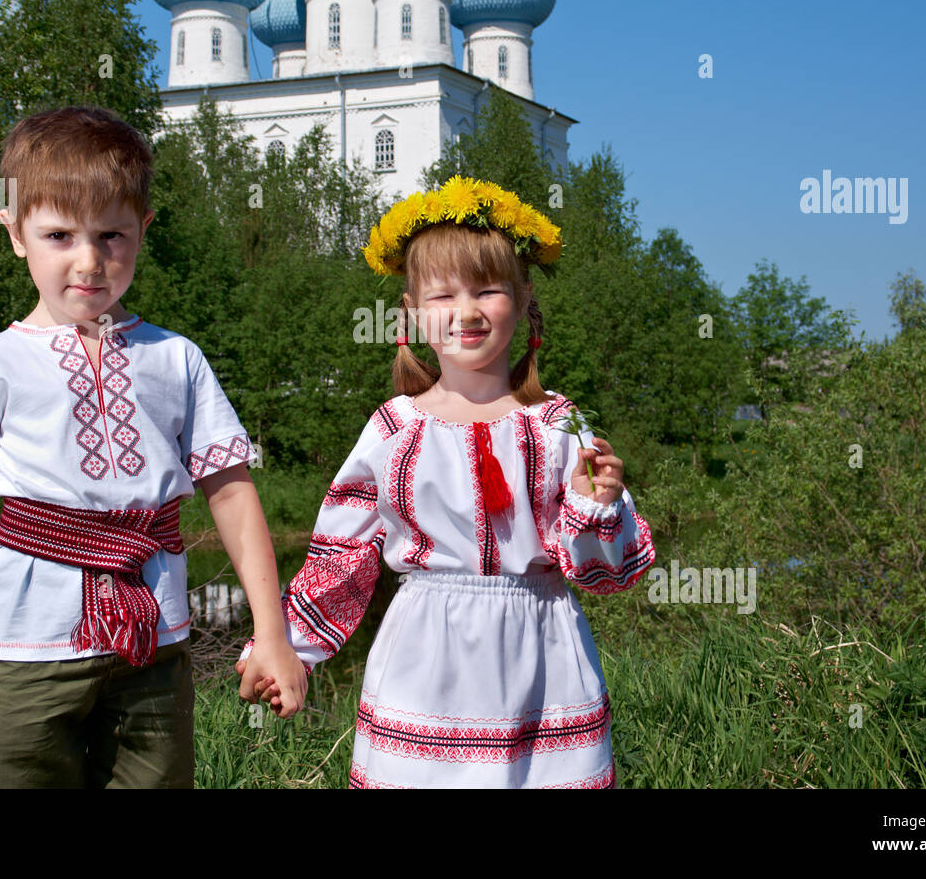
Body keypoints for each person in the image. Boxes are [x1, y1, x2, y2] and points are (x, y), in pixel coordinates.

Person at [0, 105, 306, 788]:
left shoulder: (176, 358)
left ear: (143, 231)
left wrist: (271, 632)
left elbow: (232, 492)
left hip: (153, 643)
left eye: (111, 234)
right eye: (59, 234)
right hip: (27, 645)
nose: (89, 260)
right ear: (15, 233)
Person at [236, 176, 656, 788]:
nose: (465, 312)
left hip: (544, 661)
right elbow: (342, 559)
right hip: (426, 659)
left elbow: (608, 574)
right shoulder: (394, 429)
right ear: (410, 314)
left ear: (524, 300)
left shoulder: (561, 423)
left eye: (488, 290)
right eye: (441, 296)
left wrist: (600, 509)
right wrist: (283, 650)